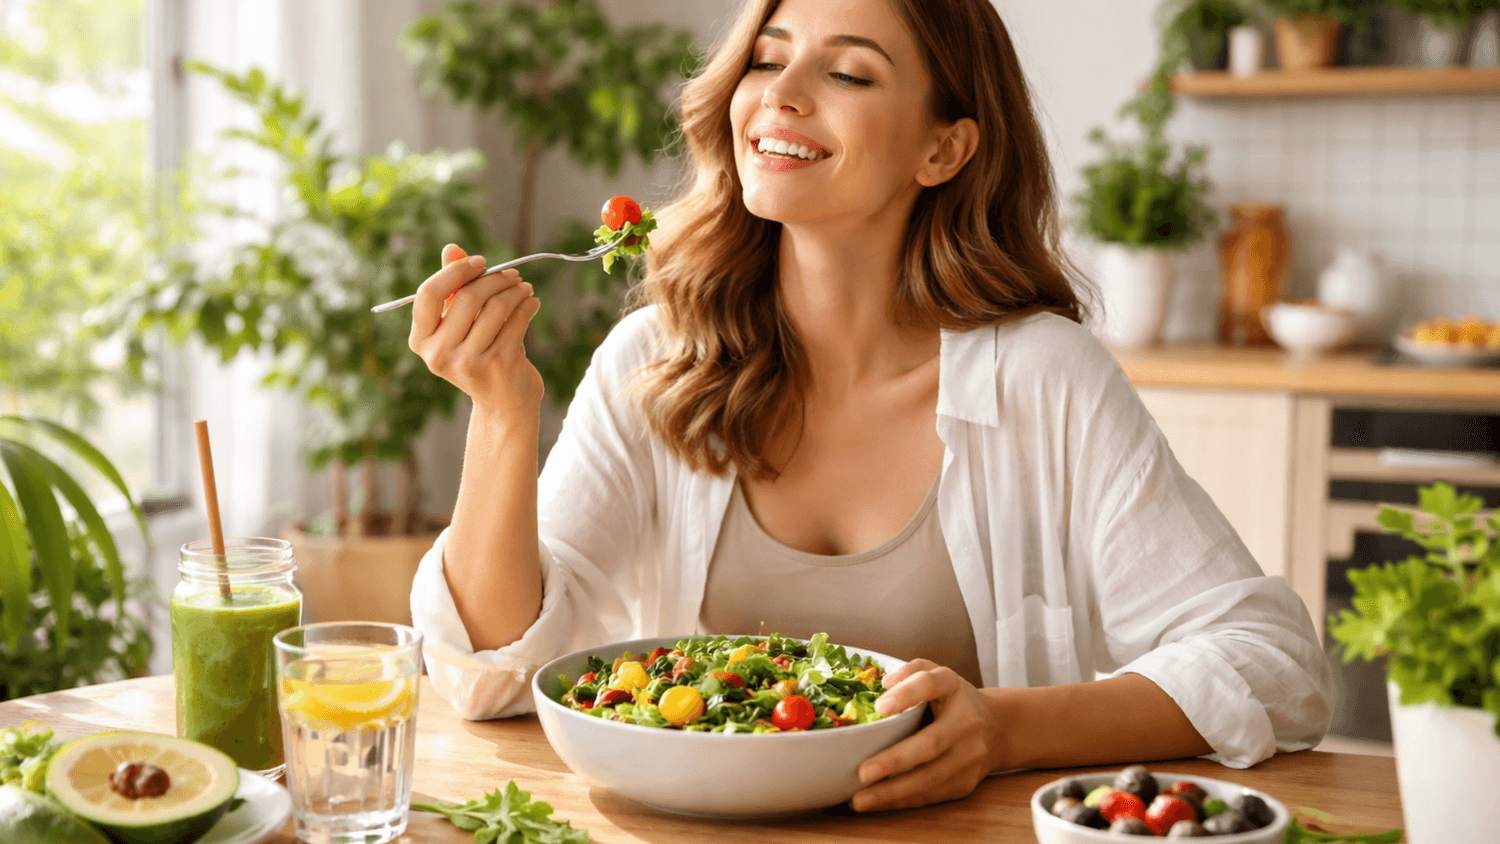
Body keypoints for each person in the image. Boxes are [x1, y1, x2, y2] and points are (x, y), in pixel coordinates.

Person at [404, 0, 1331, 813]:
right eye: (766, 57)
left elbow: (1272, 662)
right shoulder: (653, 364)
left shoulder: (1045, 378)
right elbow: (491, 675)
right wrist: (502, 414)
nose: (782, 91)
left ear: (944, 148)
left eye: (847, 71)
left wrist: (1004, 729)